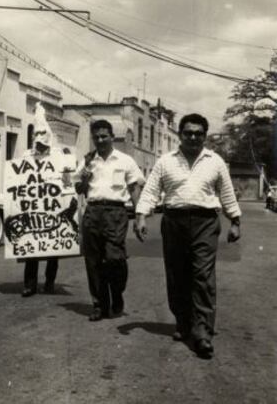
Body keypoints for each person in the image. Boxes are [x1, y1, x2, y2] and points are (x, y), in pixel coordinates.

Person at [134, 113, 241, 359]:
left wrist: (235, 221)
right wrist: (141, 216)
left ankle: (202, 331)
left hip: (205, 222)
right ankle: (183, 323)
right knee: (177, 274)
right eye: (188, 133)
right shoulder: (165, 162)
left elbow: (226, 194)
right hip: (174, 222)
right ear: (180, 135)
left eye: (198, 133)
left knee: (202, 276)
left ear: (204, 136)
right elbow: (151, 191)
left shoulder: (215, 161)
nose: (193, 137)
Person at [75, 119, 145, 321]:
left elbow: (134, 187)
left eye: (104, 136)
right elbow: (78, 189)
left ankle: (117, 292)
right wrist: (85, 177)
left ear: (112, 137)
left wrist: (139, 215)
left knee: (115, 258)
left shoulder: (125, 160)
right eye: (96, 137)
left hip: (116, 212)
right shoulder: (88, 161)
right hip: (93, 211)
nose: (100, 140)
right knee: (93, 261)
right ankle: (99, 305)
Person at [21, 103, 59, 297]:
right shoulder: (26, 156)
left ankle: (50, 282)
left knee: (53, 246)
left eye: (42, 134)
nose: (39, 139)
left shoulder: (58, 157)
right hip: (33, 207)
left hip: (52, 208)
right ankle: (30, 284)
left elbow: (66, 181)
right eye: (36, 134)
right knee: (32, 246)